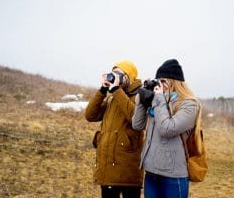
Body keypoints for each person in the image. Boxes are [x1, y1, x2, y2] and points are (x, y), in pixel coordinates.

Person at [132, 59, 202, 198]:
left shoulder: (189, 105)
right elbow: (137, 125)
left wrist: (158, 100)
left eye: (162, 81)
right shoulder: (159, 100)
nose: (159, 85)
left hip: (173, 176)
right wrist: (142, 98)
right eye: (157, 80)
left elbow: (167, 129)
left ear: (174, 81)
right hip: (151, 172)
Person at [85, 60, 144, 198]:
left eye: (120, 74)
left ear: (128, 78)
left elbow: (136, 119)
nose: (115, 77)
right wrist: (103, 90)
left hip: (127, 168)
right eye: (113, 73)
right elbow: (90, 115)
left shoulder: (138, 95)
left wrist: (116, 91)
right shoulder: (112, 97)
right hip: (108, 166)